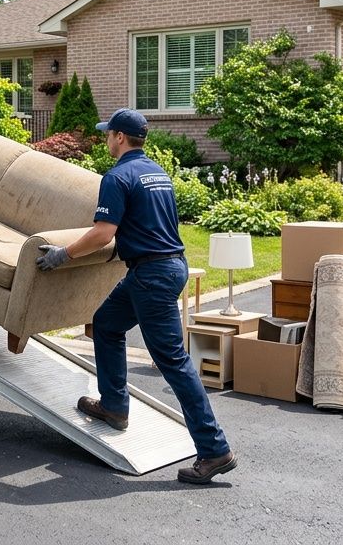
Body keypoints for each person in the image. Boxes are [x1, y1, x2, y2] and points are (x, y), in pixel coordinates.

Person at [35, 107, 235, 484]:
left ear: (120, 138)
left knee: (173, 361)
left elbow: (102, 232)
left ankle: (214, 450)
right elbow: (148, 224)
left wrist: (63, 255)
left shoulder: (117, 176)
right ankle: (114, 406)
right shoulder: (157, 173)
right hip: (166, 266)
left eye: (108, 134)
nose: (106, 140)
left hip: (152, 275)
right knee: (107, 324)